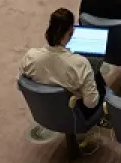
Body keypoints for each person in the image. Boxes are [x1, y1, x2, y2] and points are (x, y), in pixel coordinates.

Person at [20, 8, 104, 152]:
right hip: (76, 114)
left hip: (44, 111)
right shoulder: (80, 63)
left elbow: (22, 83)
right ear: (70, 32)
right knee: (99, 81)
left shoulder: (30, 57)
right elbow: (91, 103)